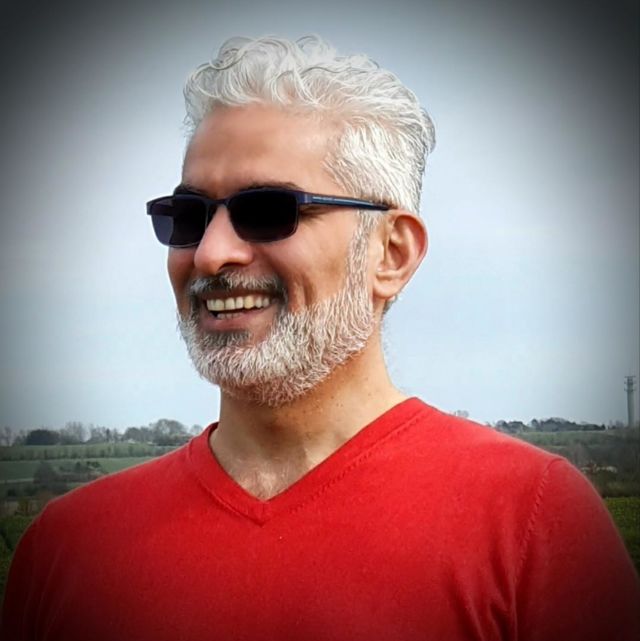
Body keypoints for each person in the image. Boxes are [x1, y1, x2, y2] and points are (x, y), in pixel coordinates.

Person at [1, 35, 638, 641]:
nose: (211, 254)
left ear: (391, 253)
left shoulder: (534, 523)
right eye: (187, 217)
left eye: (268, 212)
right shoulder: (68, 549)